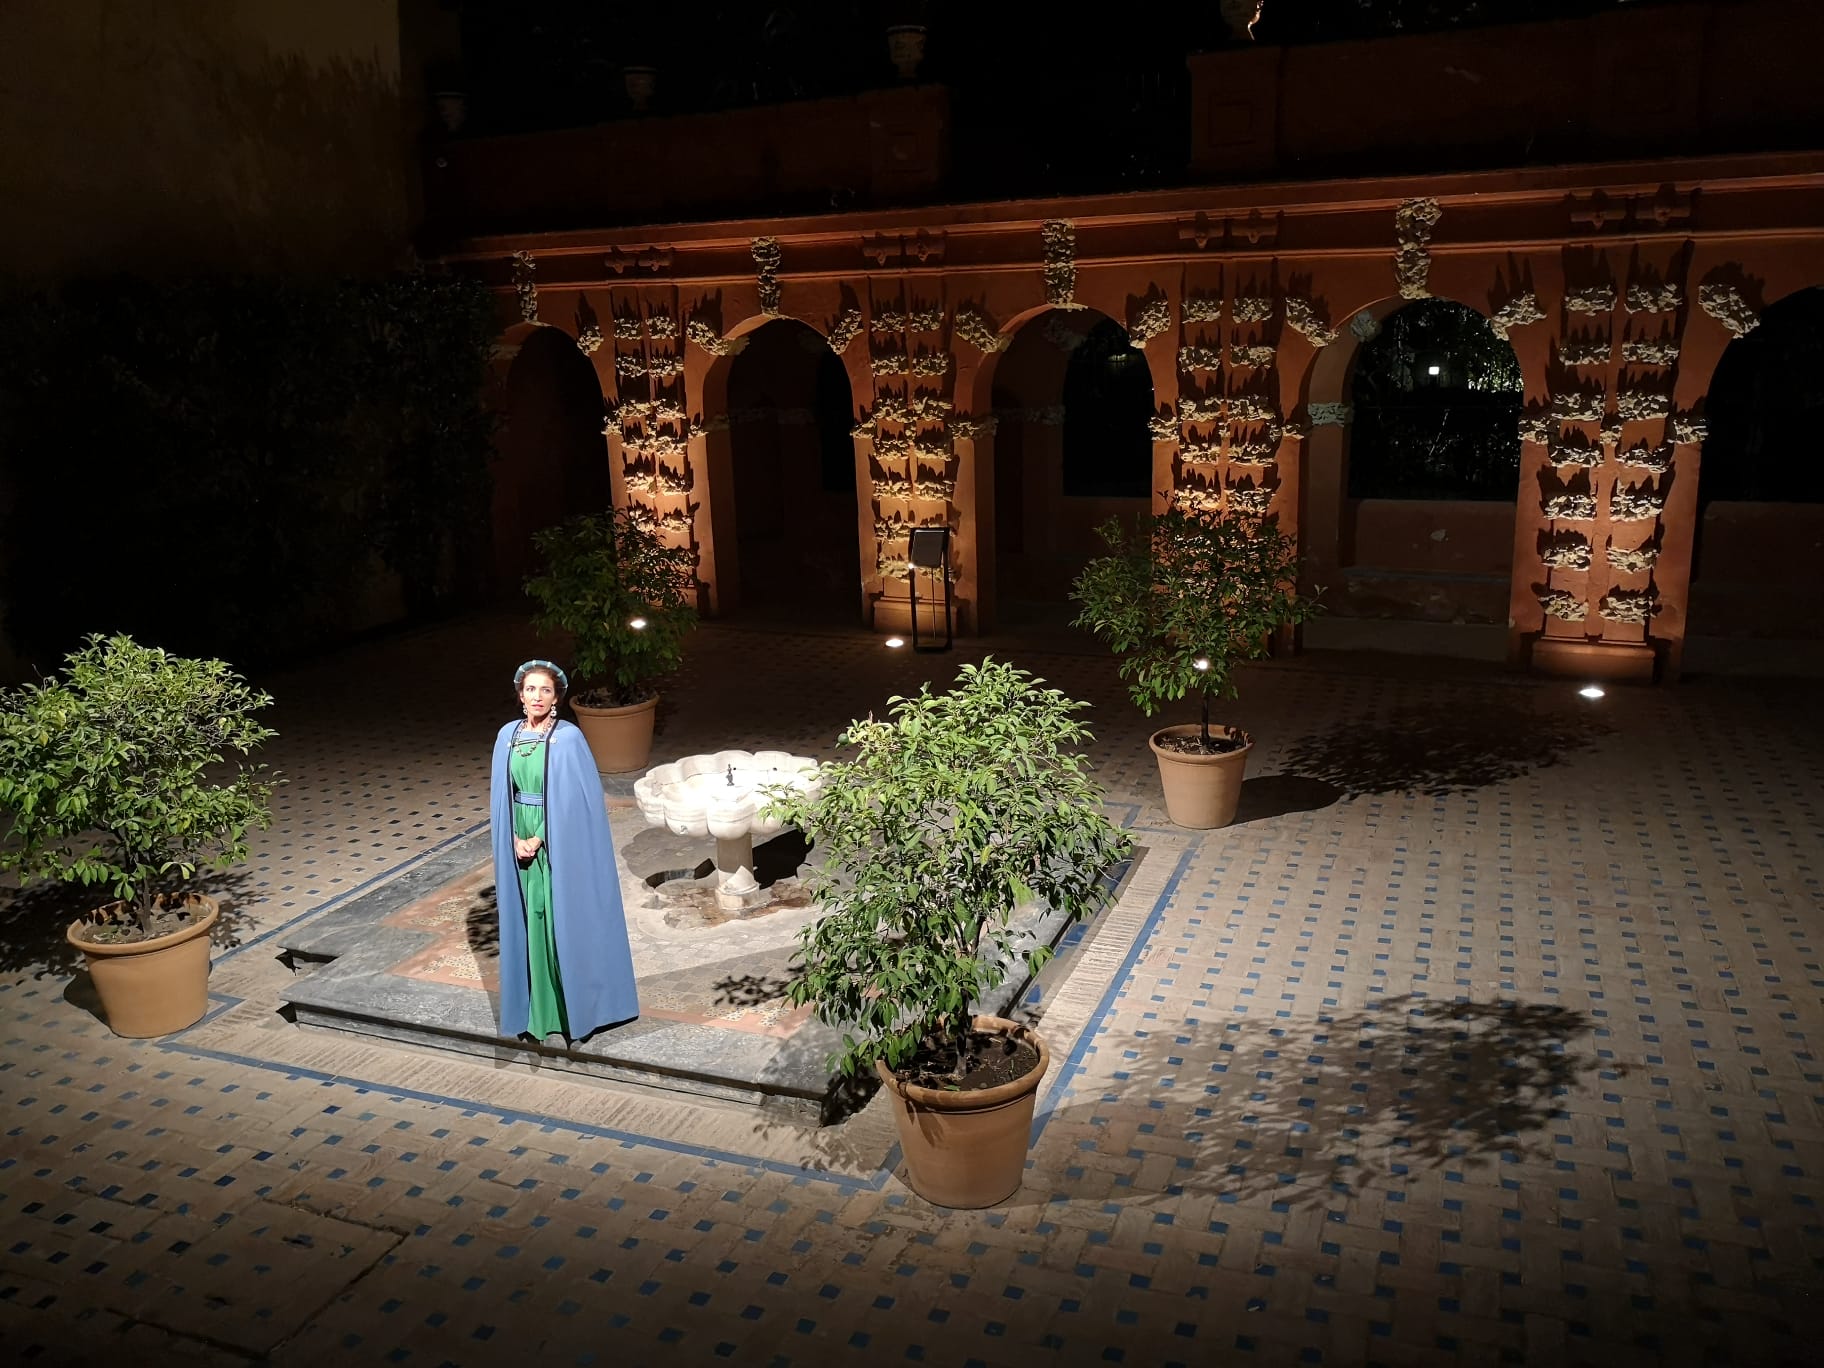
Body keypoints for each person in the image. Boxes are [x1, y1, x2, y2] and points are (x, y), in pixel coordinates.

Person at [489, 659, 639, 1041]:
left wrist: (539, 836)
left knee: (558, 917)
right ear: (520, 694)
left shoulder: (568, 738)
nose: (537, 696)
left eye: (546, 690)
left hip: (557, 839)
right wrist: (512, 838)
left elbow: (575, 800)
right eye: (531, 689)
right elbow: (501, 797)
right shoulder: (507, 735)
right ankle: (537, 1012)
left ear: (557, 697)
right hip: (519, 832)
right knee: (530, 920)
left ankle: (576, 1008)